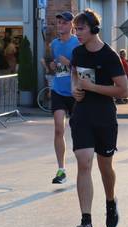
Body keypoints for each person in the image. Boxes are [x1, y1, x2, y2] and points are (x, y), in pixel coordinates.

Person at [70, 9, 128, 227]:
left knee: (106, 167)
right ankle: (86, 221)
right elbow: (75, 74)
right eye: (75, 29)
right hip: (82, 115)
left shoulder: (109, 56)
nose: (77, 34)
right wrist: (75, 89)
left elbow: (123, 90)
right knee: (84, 163)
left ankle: (111, 201)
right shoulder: (77, 52)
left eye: (80, 29)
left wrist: (92, 88)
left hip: (104, 117)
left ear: (94, 29)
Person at [49, 11, 79, 184]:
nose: (60, 26)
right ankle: (61, 169)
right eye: (58, 23)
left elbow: (82, 68)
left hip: (75, 92)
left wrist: (69, 63)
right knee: (58, 129)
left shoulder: (77, 43)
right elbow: (56, 67)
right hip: (58, 90)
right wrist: (54, 65)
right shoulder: (54, 44)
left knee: (77, 130)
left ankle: (82, 164)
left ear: (71, 25)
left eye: (64, 23)